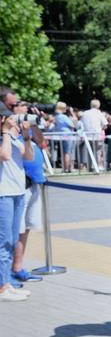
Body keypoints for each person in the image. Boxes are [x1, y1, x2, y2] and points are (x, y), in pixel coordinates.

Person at [0, 86, 33, 302]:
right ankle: (3, 287)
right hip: (3, 194)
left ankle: (7, 282)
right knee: (4, 241)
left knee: (12, 239)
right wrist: (5, 132)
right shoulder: (4, 137)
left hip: (18, 191)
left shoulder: (12, 136)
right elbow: (4, 156)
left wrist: (27, 136)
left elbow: (28, 156)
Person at [11, 101, 45, 283]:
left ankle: (18, 266)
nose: (25, 109)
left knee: (26, 228)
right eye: (21, 105)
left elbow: (41, 142)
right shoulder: (9, 128)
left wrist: (34, 124)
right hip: (19, 185)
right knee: (16, 229)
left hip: (34, 182)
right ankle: (11, 269)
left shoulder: (27, 129)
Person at [80, 99, 108, 171]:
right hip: (97, 135)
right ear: (98, 105)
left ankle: (90, 167)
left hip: (87, 135)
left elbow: (82, 123)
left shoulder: (85, 113)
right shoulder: (99, 113)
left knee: (89, 151)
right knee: (98, 152)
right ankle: (97, 167)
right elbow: (105, 124)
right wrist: (101, 128)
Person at [52, 101, 76, 173]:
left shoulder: (56, 117)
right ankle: (67, 168)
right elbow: (73, 125)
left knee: (65, 152)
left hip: (62, 135)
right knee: (68, 152)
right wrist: (72, 113)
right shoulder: (63, 116)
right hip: (68, 135)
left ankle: (65, 168)